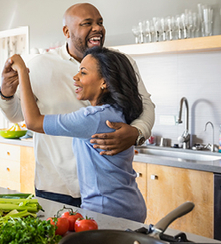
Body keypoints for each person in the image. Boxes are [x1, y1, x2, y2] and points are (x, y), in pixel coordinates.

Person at [0, 3, 155, 206]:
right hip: (56, 186)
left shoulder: (120, 63)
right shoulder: (39, 66)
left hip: (104, 190)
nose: (97, 28)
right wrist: (6, 93)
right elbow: (18, 115)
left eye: (100, 22)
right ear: (67, 31)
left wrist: (137, 132)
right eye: (87, 23)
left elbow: (145, 106)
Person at [10, 46, 146, 222]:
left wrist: (22, 71)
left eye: (83, 73)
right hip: (130, 206)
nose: (75, 78)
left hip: (105, 212)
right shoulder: (118, 111)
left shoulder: (93, 118)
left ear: (104, 82)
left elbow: (33, 122)